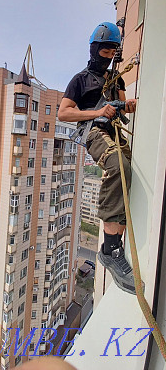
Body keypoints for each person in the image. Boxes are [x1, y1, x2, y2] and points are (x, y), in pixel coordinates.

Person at [58, 22, 137, 295]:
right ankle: (110, 248)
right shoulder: (81, 79)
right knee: (118, 165)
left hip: (114, 130)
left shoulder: (117, 78)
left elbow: (124, 103)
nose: (108, 55)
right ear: (94, 50)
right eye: (104, 50)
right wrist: (97, 112)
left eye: (112, 51)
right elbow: (64, 113)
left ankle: (119, 237)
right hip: (94, 132)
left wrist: (126, 106)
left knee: (131, 174)